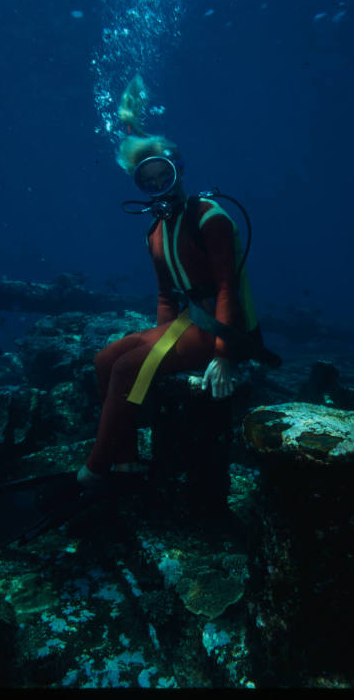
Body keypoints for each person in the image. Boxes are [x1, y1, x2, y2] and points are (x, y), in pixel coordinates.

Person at [77, 75, 279, 489]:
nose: (155, 188)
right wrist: (160, 335)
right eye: (145, 181)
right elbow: (166, 296)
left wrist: (223, 357)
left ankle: (93, 471)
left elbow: (226, 288)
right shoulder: (154, 233)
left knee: (128, 369)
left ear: (179, 172)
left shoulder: (210, 218)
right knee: (104, 361)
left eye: (162, 177)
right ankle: (125, 461)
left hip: (228, 330)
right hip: (190, 323)